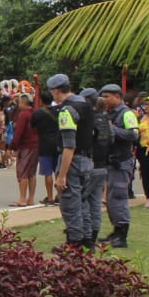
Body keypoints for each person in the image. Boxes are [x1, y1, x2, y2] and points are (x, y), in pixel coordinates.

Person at [47, 74, 97, 249]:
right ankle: (87, 239)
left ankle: (74, 244)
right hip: (87, 159)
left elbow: (69, 146)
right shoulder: (86, 104)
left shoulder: (67, 110)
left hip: (72, 161)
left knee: (70, 204)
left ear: (56, 90)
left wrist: (62, 176)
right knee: (83, 202)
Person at [96, 85, 140, 247]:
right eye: (103, 97)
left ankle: (122, 235)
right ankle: (116, 231)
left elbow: (134, 135)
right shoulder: (106, 113)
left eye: (107, 96)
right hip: (109, 161)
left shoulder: (126, 113)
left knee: (119, 198)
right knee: (110, 199)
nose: (104, 100)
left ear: (117, 96)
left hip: (121, 162)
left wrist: (111, 128)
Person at [8, 92, 38, 204]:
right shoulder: (35, 113)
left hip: (26, 145)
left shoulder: (23, 114)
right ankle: (31, 198)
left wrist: (11, 146)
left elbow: (18, 133)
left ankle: (22, 198)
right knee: (32, 173)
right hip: (36, 145)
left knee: (23, 172)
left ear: (23, 102)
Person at [32, 92, 61, 205]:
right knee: (58, 171)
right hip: (58, 144)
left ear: (41, 101)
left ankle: (50, 197)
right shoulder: (59, 111)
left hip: (44, 144)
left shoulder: (38, 113)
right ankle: (60, 195)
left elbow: (32, 126)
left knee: (47, 173)